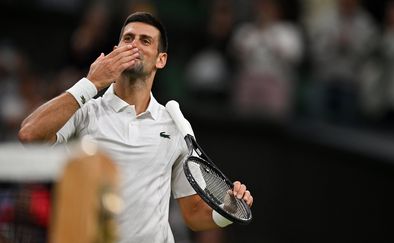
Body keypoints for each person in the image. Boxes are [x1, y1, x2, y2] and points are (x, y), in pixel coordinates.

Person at [18, 11, 253, 243]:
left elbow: (192, 214)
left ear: (161, 59)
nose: (134, 45)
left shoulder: (174, 124)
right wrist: (90, 83)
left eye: (145, 40)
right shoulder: (85, 110)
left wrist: (227, 210)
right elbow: (29, 134)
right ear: (115, 50)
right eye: (128, 39)